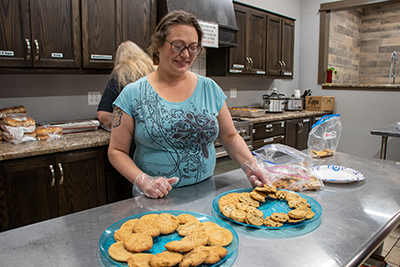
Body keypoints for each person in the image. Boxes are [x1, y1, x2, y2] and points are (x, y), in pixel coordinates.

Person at [108, 10, 271, 199]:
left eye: (193, 47)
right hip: (153, 196)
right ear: (158, 45)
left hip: (204, 191)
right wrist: (144, 181)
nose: (185, 54)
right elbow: (116, 151)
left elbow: (230, 136)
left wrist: (251, 167)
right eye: (177, 46)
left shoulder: (209, 88)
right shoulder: (133, 93)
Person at [97, 41, 156, 129]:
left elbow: (103, 114)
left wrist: (121, 129)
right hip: (158, 130)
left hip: (134, 135)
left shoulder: (120, 75)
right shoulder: (155, 71)